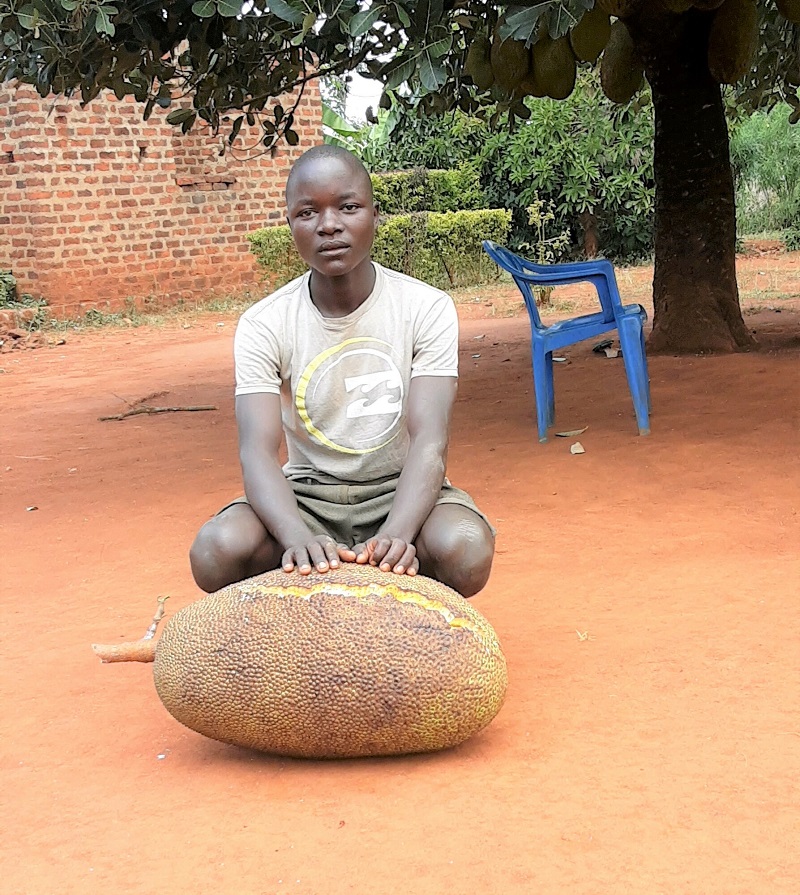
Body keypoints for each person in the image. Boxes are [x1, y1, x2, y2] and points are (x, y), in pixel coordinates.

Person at [190, 145, 495, 598]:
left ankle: (401, 613)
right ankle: (306, 605)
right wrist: (296, 537)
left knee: (465, 551)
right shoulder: (264, 323)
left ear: (375, 215)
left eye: (348, 207)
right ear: (290, 225)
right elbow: (256, 451)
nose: (329, 225)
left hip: (400, 491)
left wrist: (398, 533)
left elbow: (431, 438)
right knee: (216, 551)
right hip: (307, 496)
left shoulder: (425, 307)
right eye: (308, 212)